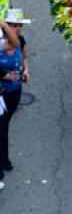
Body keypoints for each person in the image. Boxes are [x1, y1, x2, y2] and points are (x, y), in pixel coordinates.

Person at [0, 10, 30, 180]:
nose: (18, 29)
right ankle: (2, 162)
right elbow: (14, 42)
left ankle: (3, 159)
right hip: (1, 93)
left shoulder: (22, 42)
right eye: (14, 25)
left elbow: (24, 56)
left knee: (5, 127)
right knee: (1, 129)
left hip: (14, 91)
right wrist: (4, 76)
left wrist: (26, 70)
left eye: (20, 25)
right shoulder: (3, 44)